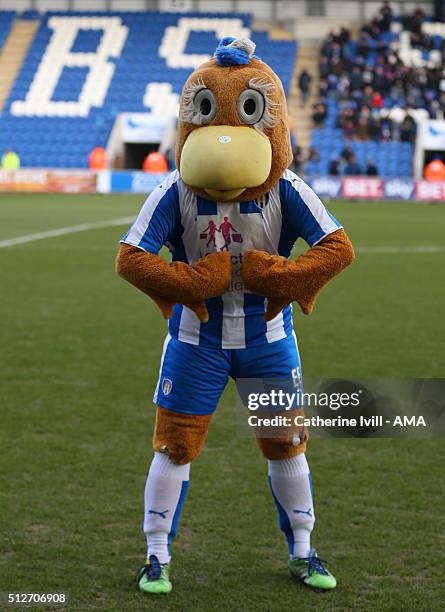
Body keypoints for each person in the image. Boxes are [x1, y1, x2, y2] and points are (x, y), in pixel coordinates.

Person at [116, 37, 355, 596]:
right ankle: (156, 555)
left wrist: (284, 276)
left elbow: (337, 249)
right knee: (174, 445)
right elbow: (132, 259)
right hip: (194, 340)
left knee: (287, 443)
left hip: (267, 339)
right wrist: (189, 281)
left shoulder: (287, 189)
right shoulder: (174, 192)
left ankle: (303, 549)